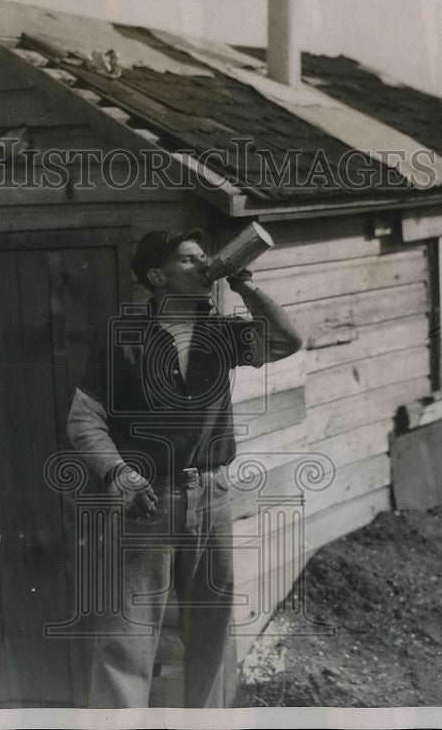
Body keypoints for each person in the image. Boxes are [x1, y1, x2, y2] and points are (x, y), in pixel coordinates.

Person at [66, 228, 303, 708]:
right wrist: (118, 473)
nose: (204, 265)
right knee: (127, 633)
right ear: (158, 275)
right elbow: (84, 419)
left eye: (204, 258)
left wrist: (245, 285)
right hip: (145, 500)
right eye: (190, 259)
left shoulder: (222, 332)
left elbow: (286, 340)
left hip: (211, 497)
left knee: (211, 626)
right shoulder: (124, 335)